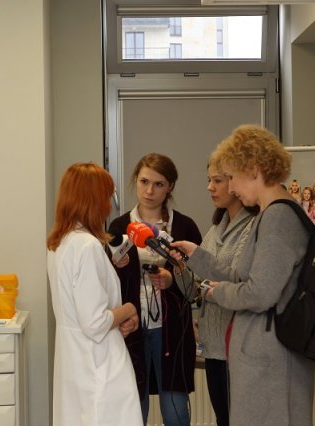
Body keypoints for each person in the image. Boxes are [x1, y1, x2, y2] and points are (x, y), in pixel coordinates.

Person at [171, 125, 315, 426]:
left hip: (271, 358)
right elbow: (241, 275)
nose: (232, 188)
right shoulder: (270, 215)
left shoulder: (278, 218)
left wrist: (214, 291)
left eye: (231, 177)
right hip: (263, 354)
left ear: (253, 170)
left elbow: (259, 293)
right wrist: (197, 256)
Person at [108, 153, 202, 426]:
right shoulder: (119, 227)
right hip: (130, 327)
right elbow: (107, 282)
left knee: (175, 410)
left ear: (170, 187)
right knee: (133, 408)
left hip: (171, 329)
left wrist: (173, 280)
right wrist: (118, 266)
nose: (149, 191)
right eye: (144, 182)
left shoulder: (184, 227)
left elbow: (199, 283)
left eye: (158, 184)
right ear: (135, 181)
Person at [46, 162, 142, 426]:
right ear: (93, 200)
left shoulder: (59, 243)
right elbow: (95, 323)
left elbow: (82, 309)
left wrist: (117, 318)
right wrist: (130, 309)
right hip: (99, 365)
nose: (109, 206)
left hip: (75, 364)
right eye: (107, 197)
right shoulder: (87, 247)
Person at [176, 155, 258, 426]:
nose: (210, 187)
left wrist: (198, 258)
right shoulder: (215, 229)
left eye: (217, 180)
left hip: (238, 345)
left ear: (235, 182)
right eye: (209, 180)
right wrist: (180, 268)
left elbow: (237, 281)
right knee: (223, 418)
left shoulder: (253, 227)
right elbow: (194, 291)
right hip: (213, 345)